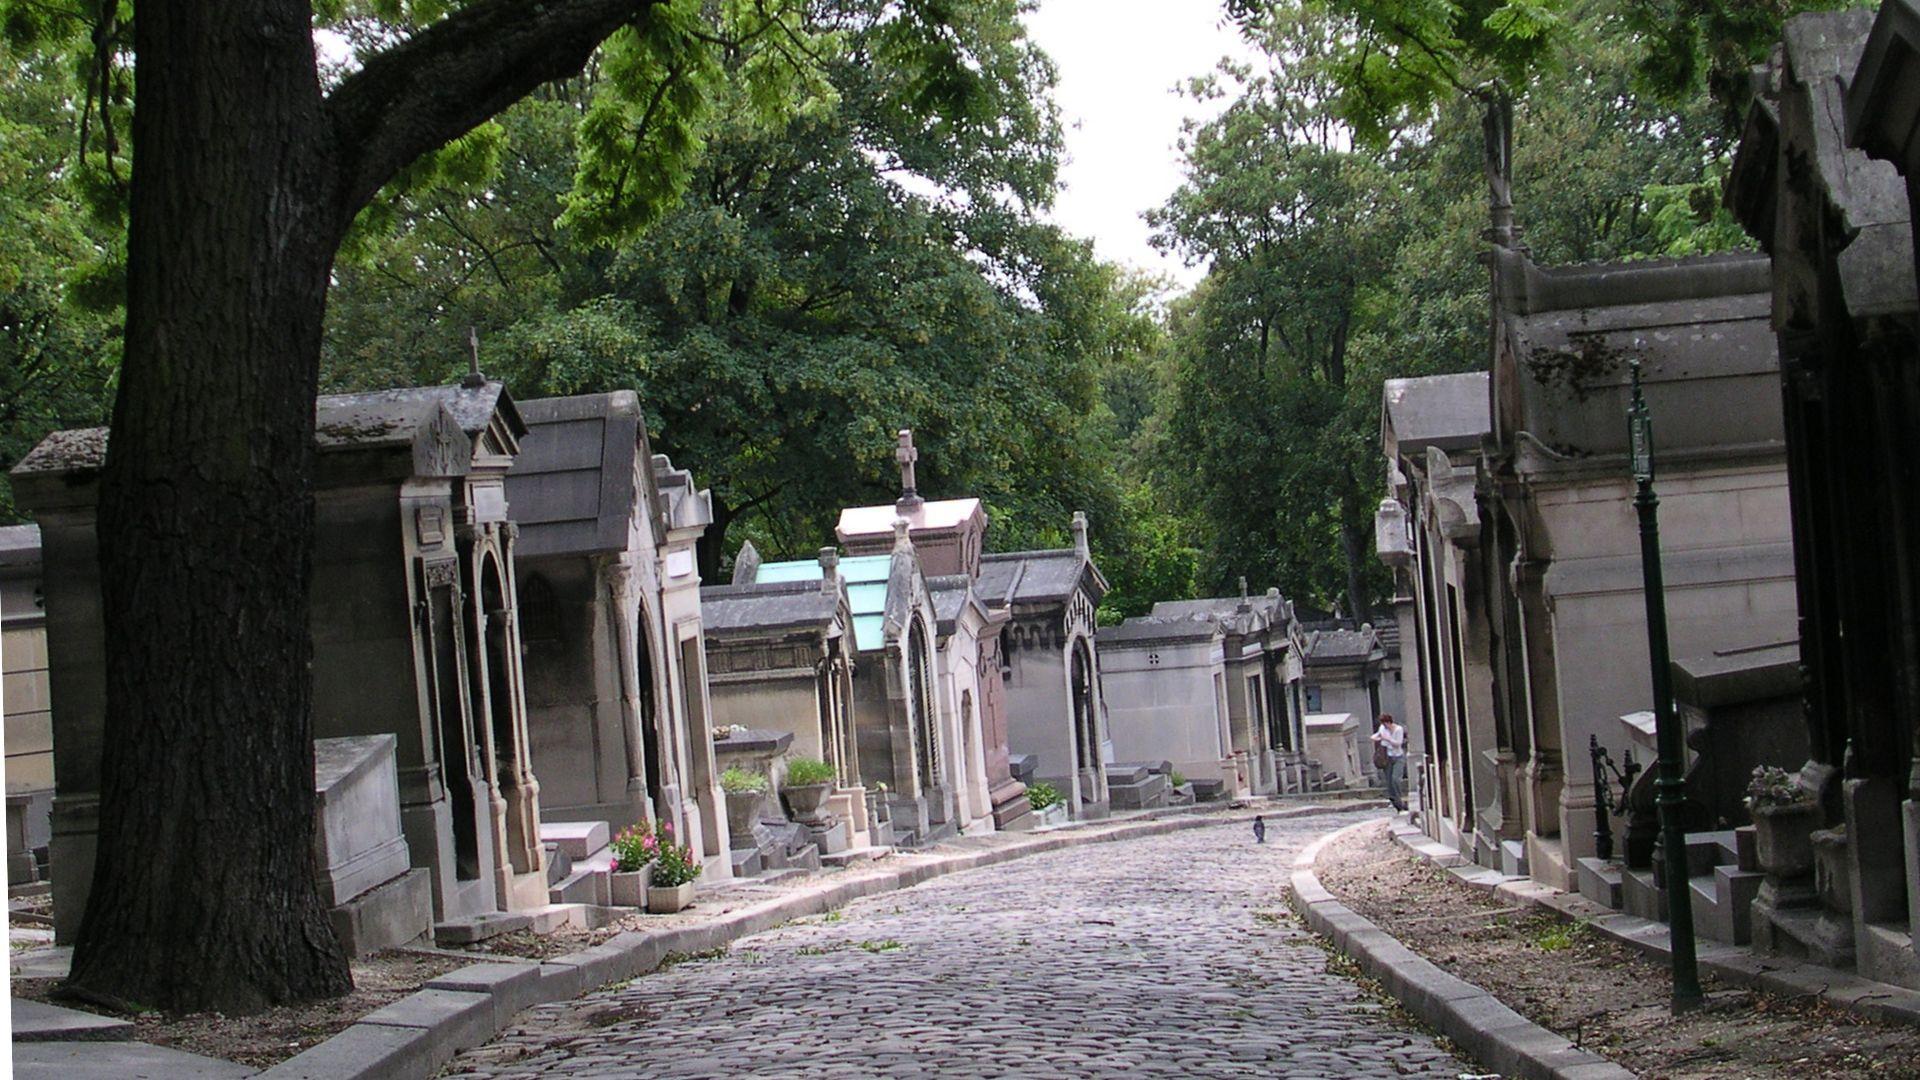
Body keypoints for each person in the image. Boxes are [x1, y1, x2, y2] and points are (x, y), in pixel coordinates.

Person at [1371, 713, 1408, 812]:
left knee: (1396, 779)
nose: (1385, 726)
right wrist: (1378, 738)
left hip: (1398, 756)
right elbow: (1375, 736)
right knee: (1389, 781)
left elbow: (1398, 744)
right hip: (1387, 757)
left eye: (1385, 723)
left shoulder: (1398, 729)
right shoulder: (1382, 729)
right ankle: (1395, 802)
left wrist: (1388, 739)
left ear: (1389, 722)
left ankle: (1399, 799)